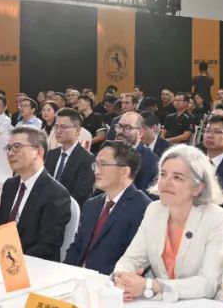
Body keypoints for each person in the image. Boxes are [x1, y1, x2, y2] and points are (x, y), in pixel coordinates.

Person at [113, 144, 223, 301]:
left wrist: (152, 286)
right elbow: (131, 259)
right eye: (163, 174)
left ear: (197, 188)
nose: (166, 182)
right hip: (162, 305)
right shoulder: (154, 210)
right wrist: (122, 279)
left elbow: (208, 284)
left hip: (206, 306)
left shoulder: (218, 219)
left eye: (177, 177)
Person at [63, 141, 150, 273]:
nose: (96, 170)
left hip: (109, 281)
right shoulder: (92, 204)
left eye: (103, 164)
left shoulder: (143, 209)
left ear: (124, 171)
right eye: (96, 164)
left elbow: (133, 262)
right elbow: (77, 247)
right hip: (76, 277)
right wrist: (64, 272)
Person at [0, 126, 72, 261]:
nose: (10, 153)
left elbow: (47, 245)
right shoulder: (10, 185)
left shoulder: (56, 194)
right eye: (8, 148)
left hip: (32, 265)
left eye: (17, 147)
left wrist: (13, 260)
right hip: (2, 258)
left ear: (38, 152)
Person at [44, 108, 96, 206]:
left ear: (77, 130)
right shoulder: (51, 154)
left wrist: (52, 203)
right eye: (56, 126)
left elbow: (80, 195)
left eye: (63, 127)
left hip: (68, 208)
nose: (58, 131)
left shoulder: (87, 159)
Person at [113, 110, 159, 192]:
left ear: (140, 132)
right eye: (119, 127)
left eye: (127, 128)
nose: (120, 131)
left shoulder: (150, 161)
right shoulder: (108, 153)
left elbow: (143, 195)